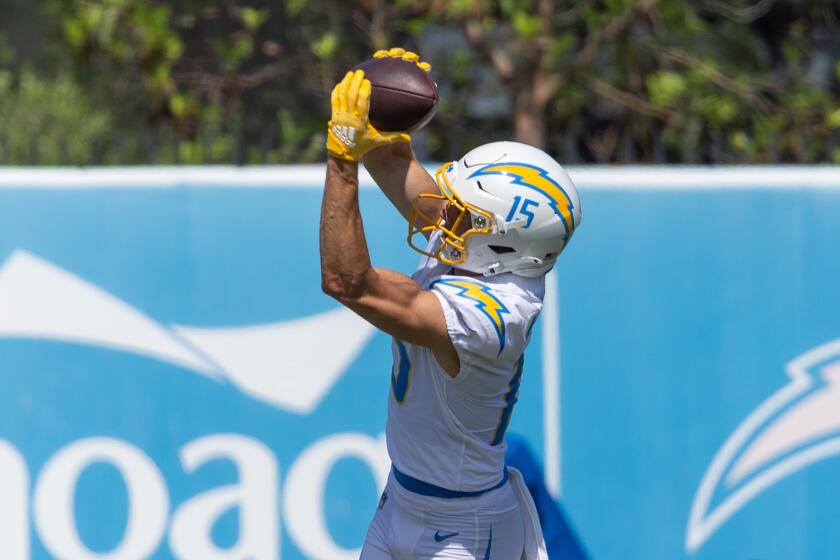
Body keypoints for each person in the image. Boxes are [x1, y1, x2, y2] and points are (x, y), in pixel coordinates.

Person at [320, 48, 582, 560]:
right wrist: (379, 111)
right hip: (402, 500)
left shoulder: (494, 315)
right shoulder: (495, 250)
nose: (446, 217)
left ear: (501, 241)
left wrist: (341, 158)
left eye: (463, 214)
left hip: (466, 529)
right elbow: (404, 172)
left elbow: (349, 282)